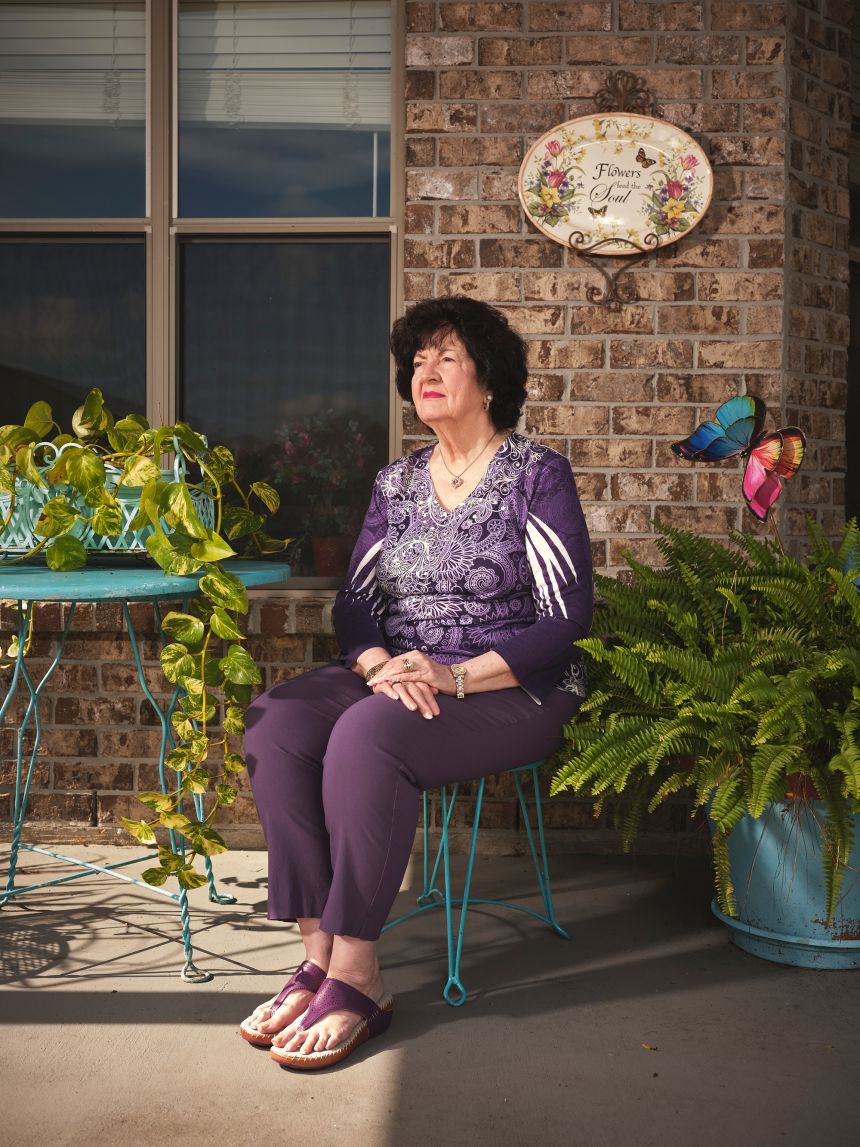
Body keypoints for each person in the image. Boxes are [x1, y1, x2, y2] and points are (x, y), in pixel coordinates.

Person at [241, 296, 594, 1070]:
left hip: (510, 683)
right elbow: (356, 602)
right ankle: (319, 953)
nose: (425, 373)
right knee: (275, 721)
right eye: (416, 362)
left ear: (490, 377)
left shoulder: (536, 475)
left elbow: (566, 617)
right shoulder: (395, 483)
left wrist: (454, 674)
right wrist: (375, 664)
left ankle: (360, 976)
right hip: (398, 670)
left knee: (368, 736)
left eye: (447, 357)